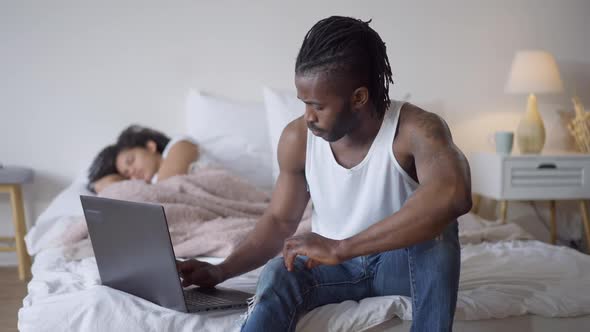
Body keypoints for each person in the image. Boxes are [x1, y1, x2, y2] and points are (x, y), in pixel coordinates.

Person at [177, 16, 471, 332]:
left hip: (396, 266)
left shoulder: (416, 129)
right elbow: (279, 221)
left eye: (318, 105)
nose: (308, 117)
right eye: (304, 103)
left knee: (438, 228)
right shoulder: (297, 139)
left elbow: (453, 194)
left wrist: (342, 247)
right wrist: (221, 272)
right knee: (279, 272)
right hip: (330, 271)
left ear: (359, 97)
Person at [87, 125, 199, 193]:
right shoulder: (150, 185)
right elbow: (100, 186)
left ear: (150, 147)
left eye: (130, 161)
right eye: (127, 175)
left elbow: (166, 190)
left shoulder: (180, 144)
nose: (132, 172)